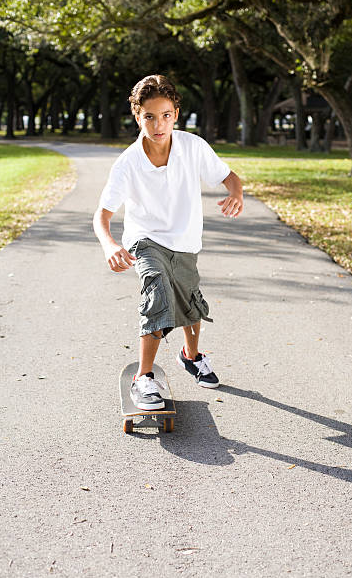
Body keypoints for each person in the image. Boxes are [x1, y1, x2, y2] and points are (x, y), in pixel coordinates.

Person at [93, 74, 244, 411]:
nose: (158, 124)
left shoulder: (193, 147)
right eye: (149, 116)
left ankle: (191, 356)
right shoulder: (128, 163)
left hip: (185, 241)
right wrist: (109, 245)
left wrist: (235, 193)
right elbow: (101, 216)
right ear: (137, 116)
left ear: (176, 113)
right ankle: (143, 377)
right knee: (158, 291)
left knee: (190, 303)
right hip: (145, 241)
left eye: (165, 115)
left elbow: (229, 176)